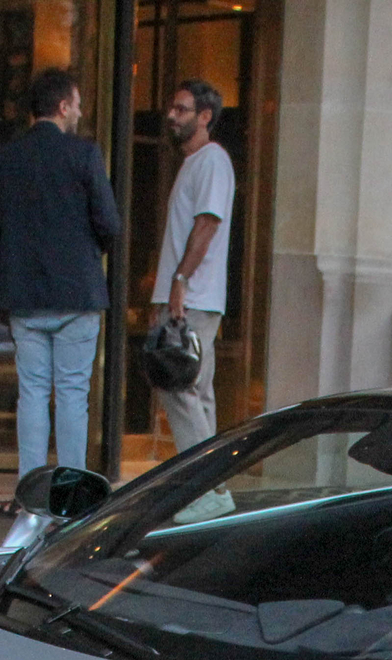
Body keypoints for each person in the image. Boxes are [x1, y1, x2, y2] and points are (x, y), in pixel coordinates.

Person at [0, 67, 120, 481]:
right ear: (62, 106)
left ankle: (32, 494)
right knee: (73, 394)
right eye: (76, 103)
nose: (79, 110)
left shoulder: (2, 158)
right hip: (78, 294)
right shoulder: (85, 155)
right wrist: (87, 256)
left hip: (23, 294)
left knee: (33, 394)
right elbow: (109, 223)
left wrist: (10, 268)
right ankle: (72, 494)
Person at [150, 79, 235, 454]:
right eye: (172, 107)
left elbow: (208, 223)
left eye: (181, 109)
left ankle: (203, 491)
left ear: (205, 116)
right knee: (195, 394)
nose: (171, 115)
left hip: (192, 299)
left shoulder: (212, 159)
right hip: (192, 297)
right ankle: (210, 492)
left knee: (178, 388)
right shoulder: (195, 163)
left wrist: (179, 282)